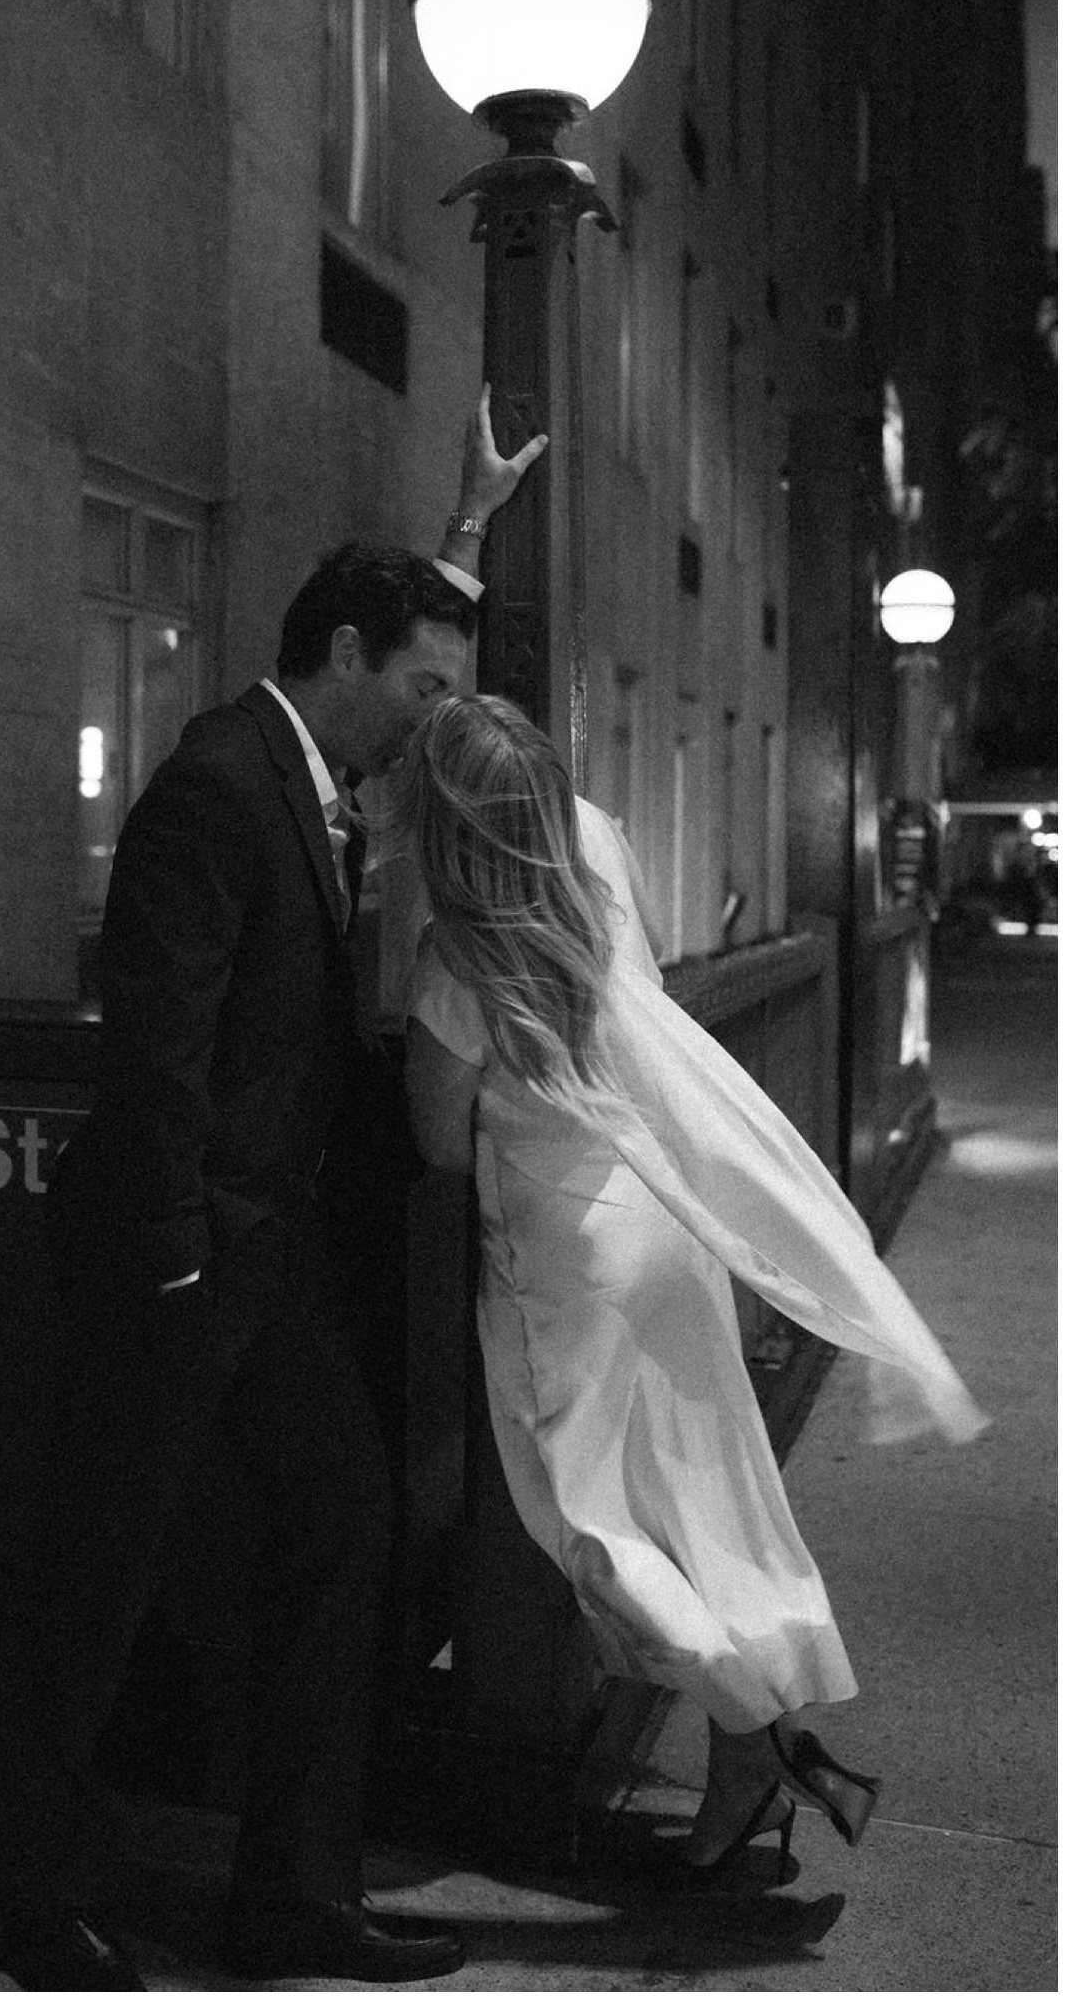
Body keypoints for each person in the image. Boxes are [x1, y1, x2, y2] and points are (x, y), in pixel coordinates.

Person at [0, 394, 547, 1989]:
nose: (442, 720)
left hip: (270, 1259)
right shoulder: (215, 786)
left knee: (344, 1522)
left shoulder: (323, 773)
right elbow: (152, 1060)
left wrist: (462, 538)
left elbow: (435, 665)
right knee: (93, 1587)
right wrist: (168, 1276)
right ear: (348, 659)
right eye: (425, 686)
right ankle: (45, 1912)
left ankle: (293, 1899)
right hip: (173, 1267)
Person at [399, 693, 988, 1892]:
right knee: (713, 1493)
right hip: (668, 1215)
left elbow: (439, 1141)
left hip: (566, 1255)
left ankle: (748, 1730)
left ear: (453, 825)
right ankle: (757, 1744)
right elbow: (648, 995)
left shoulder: (459, 953)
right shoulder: (601, 843)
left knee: (593, 1522)